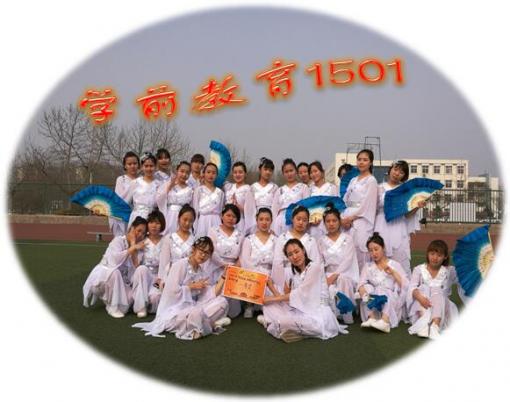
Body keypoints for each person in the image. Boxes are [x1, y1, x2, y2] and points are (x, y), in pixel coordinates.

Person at [133, 237, 231, 340]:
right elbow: (171, 292)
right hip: (173, 312)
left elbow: (209, 295)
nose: (203, 255)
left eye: (207, 253)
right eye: (201, 251)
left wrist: (223, 276)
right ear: (193, 249)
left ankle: (203, 323)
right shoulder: (179, 265)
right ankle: (209, 325)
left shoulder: (201, 271)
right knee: (196, 313)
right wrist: (190, 287)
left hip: (191, 308)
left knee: (222, 302)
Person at [259, 239, 348, 342]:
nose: (295, 256)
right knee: (268, 306)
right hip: (300, 310)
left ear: (303, 250)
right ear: (288, 258)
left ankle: (279, 325)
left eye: (297, 252)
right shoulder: (294, 273)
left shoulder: (314, 267)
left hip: (318, 315)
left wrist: (270, 299)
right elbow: (289, 299)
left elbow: (299, 294)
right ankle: (291, 329)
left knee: (283, 320)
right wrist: (271, 287)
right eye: (290, 254)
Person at [83, 216, 147, 318]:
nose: (140, 235)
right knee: (115, 272)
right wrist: (132, 248)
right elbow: (114, 262)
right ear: (132, 228)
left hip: (121, 280)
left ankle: (112, 299)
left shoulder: (139, 248)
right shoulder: (118, 241)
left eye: (143, 233)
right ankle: (112, 307)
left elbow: (135, 269)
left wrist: (133, 246)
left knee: (128, 302)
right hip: (103, 277)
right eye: (138, 230)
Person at [374, 160, 423, 277]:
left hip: (398, 226)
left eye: (401, 172)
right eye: (395, 169)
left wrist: (417, 206)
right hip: (381, 224)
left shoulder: (405, 191)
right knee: (379, 257)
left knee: (400, 258)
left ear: (404, 176)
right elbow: (373, 209)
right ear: (390, 170)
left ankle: (402, 285)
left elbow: (407, 215)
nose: (397, 173)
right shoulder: (378, 188)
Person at [407, 240, 463, 340]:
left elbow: (464, 278)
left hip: (442, 306)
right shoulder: (419, 269)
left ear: (445, 256)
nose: (435, 258)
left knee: (437, 290)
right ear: (428, 254)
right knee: (423, 289)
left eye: (439, 255)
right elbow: (412, 288)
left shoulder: (449, 271)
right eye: (432, 254)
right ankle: (425, 325)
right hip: (422, 304)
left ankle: (434, 325)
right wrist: (420, 298)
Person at [358, 233, 408, 333]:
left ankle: (385, 321)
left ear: (383, 248)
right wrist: (367, 298)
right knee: (367, 288)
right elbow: (360, 285)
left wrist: (393, 273)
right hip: (374, 302)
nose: (374, 253)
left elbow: (405, 285)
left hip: (390, 300)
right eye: (370, 251)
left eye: (376, 249)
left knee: (384, 290)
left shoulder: (394, 265)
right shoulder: (367, 266)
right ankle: (371, 318)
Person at [318, 204, 359, 324]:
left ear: (339, 221)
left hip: (345, 273)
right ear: (324, 223)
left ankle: (346, 313)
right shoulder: (321, 241)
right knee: (325, 286)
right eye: (328, 221)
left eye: (334, 220)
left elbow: (348, 260)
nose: (331, 224)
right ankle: (331, 316)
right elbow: (320, 261)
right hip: (328, 274)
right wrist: (324, 277)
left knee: (343, 279)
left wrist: (335, 275)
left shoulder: (347, 238)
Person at [341, 149, 378, 271]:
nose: (361, 162)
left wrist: (351, 218)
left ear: (370, 163)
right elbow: (346, 201)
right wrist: (343, 217)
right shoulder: (353, 180)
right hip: (347, 220)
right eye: (359, 159)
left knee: (361, 256)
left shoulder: (371, 181)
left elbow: (367, 205)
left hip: (361, 221)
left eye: (365, 160)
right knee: (347, 255)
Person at [239, 207, 278, 318]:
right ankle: (249, 305)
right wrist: (259, 274)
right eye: (261, 219)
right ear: (256, 221)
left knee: (272, 308)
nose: (264, 222)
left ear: (271, 221)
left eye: (267, 219)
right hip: (253, 275)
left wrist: (269, 275)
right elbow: (245, 260)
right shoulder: (249, 239)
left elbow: (278, 260)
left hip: (270, 275)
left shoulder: (276, 239)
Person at [271, 205, 320, 291]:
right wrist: (283, 284)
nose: (301, 222)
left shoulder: (311, 240)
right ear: (292, 219)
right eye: (298, 219)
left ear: (308, 222)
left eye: (304, 220)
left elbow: (315, 263)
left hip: (306, 278)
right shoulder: (282, 238)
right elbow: (277, 263)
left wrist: (306, 283)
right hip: (285, 277)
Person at [207, 204, 244, 317]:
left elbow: (242, 255)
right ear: (222, 216)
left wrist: (234, 267)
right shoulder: (213, 231)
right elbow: (211, 251)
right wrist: (224, 265)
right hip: (216, 267)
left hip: (233, 270)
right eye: (228, 215)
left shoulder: (240, 234)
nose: (230, 218)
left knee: (233, 311)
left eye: (234, 216)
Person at [131, 210, 166, 318]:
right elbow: (136, 264)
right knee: (142, 269)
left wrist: (162, 278)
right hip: (144, 277)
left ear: (162, 225)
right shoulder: (142, 240)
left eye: (157, 223)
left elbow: (168, 262)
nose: (154, 226)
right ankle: (141, 307)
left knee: (154, 298)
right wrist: (135, 247)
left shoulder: (166, 240)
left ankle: (150, 304)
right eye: (151, 222)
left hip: (159, 277)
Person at [157, 204, 196, 284]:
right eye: (185, 219)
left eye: (191, 221)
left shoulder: (195, 240)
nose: (187, 223)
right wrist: (161, 279)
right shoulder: (169, 238)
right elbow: (164, 261)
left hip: (189, 277)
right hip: (172, 276)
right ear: (178, 219)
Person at [271, 158, 310, 236]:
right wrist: (272, 227)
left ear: (296, 171)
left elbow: (308, 207)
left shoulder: (303, 187)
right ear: (283, 174)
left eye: (291, 171)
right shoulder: (279, 190)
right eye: (286, 172)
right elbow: (274, 210)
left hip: (298, 221)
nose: (289, 174)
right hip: (281, 221)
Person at [125, 152, 162, 228]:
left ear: (155, 167)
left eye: (151, 166)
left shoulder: (159, 184)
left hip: (151, 219)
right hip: (136, 217)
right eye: (146, 166)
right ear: (142, 167)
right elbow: (125, 201)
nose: (149, 168)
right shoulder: (135, 182)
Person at [156, 160, 193, 235]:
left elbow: (191, 207)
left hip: (183, 217)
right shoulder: (168, 184)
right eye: (182, 171)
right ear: (177, 171)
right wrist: (169, 187)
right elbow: (158, 199)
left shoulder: (190, 189)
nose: (184, 175)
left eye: (187, 173)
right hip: (169, 215)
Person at [109, 151, 139, 237]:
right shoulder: (121, 180)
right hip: (122, 217)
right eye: (129, 164)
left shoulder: (142, 180)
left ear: (138, 165)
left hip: (137, 216)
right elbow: (119, 199)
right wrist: (133, 185)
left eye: (135, 163)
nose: (132, 166)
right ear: (125, 166)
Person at [192, 162, 225, 237]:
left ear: (217, 175)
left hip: (216, 221)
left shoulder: (220, 192)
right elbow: (195, 209)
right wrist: (195, 226)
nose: (211, 175)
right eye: (208, 172)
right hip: (203, 221)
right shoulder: (198, 190)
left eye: (213, 173)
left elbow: (221, 211)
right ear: (204, 174)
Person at [223, 161, 256, 235]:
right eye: (235, 172)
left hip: (239, 222)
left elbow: (251, 212)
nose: (237, 175)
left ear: (245, 174)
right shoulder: (228, 186)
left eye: (240, 172)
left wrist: (237, 205)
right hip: (226, 221)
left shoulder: (248, 189)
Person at [308, 160, 338, 238]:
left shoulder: (332, 187)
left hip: (329, 223)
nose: (313, 174)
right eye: (311, 172)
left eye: (315, 171)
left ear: (322, 172)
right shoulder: (309, 190)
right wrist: (311, 221)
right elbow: (306, 207)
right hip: (314, 225)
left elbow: (337, 206)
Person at [249, 157, 278, 232]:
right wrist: (254, 222)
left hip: (269, 220)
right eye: (265, 169)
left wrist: (273, 225)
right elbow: (250, 208)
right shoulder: (252, 187)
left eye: (270, 170)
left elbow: (275, 208)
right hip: (255, 220)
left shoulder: (275, 187)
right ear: (260, 170)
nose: (268, 172)